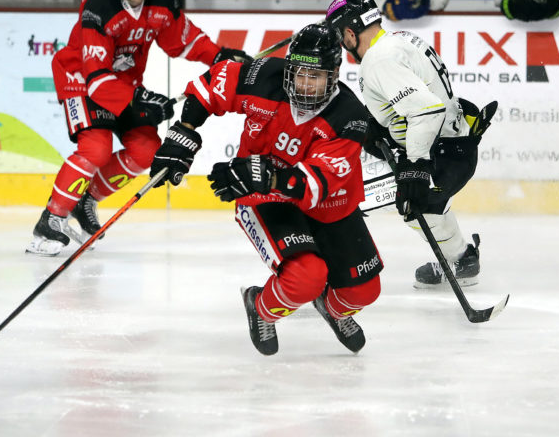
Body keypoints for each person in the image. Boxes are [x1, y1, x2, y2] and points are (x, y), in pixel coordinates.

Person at [148, 23, 384, 356]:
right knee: (306, 278)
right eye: (299, 73)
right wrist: (183, 132)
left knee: (363, 292)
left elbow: (315, 185)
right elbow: (209, 87)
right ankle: (260, 306)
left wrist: (269, 175)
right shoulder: (264, 76)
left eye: (315, 77)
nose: (303, 84)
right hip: (262, 194)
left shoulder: (350, 118)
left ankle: (332, 308)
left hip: (325, 202)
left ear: (334, 74)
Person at [27, 0, 251, 256]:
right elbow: (95, 76)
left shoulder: (160, 1)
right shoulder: (100, 6)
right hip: (81, 79)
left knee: (146, 150)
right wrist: (138, 103)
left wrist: (219, 56)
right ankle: (51, 220)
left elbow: (184, 40)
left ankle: (85, 201)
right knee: (96, 149)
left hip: (124, 84)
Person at [325, 0, 496, 289]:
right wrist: (381, 121)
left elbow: (427, 110)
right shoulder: (400, 39)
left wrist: (416, 166)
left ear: (351, 32)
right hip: (455, 145)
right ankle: (461, 259)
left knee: (402, 204)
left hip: (442, 155)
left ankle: (458, 257)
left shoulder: (379, 60)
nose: (342, 43)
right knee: (424, 206)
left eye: (341, 35)